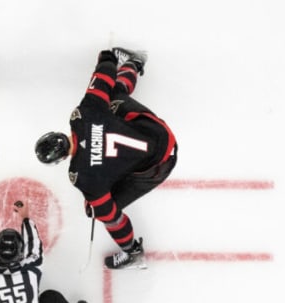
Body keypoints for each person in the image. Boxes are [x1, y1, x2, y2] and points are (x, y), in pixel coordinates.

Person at [34, 47, 178, 270]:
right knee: (113, 96)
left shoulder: (81, 176)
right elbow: (101, 80)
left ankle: (133, 252)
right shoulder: (82, 114)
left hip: (159, 164)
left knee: (101, 212)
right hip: (159, 133)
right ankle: (134, 63)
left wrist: (93, 201)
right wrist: (107, 58)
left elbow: (109, 214)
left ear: (59, 160)